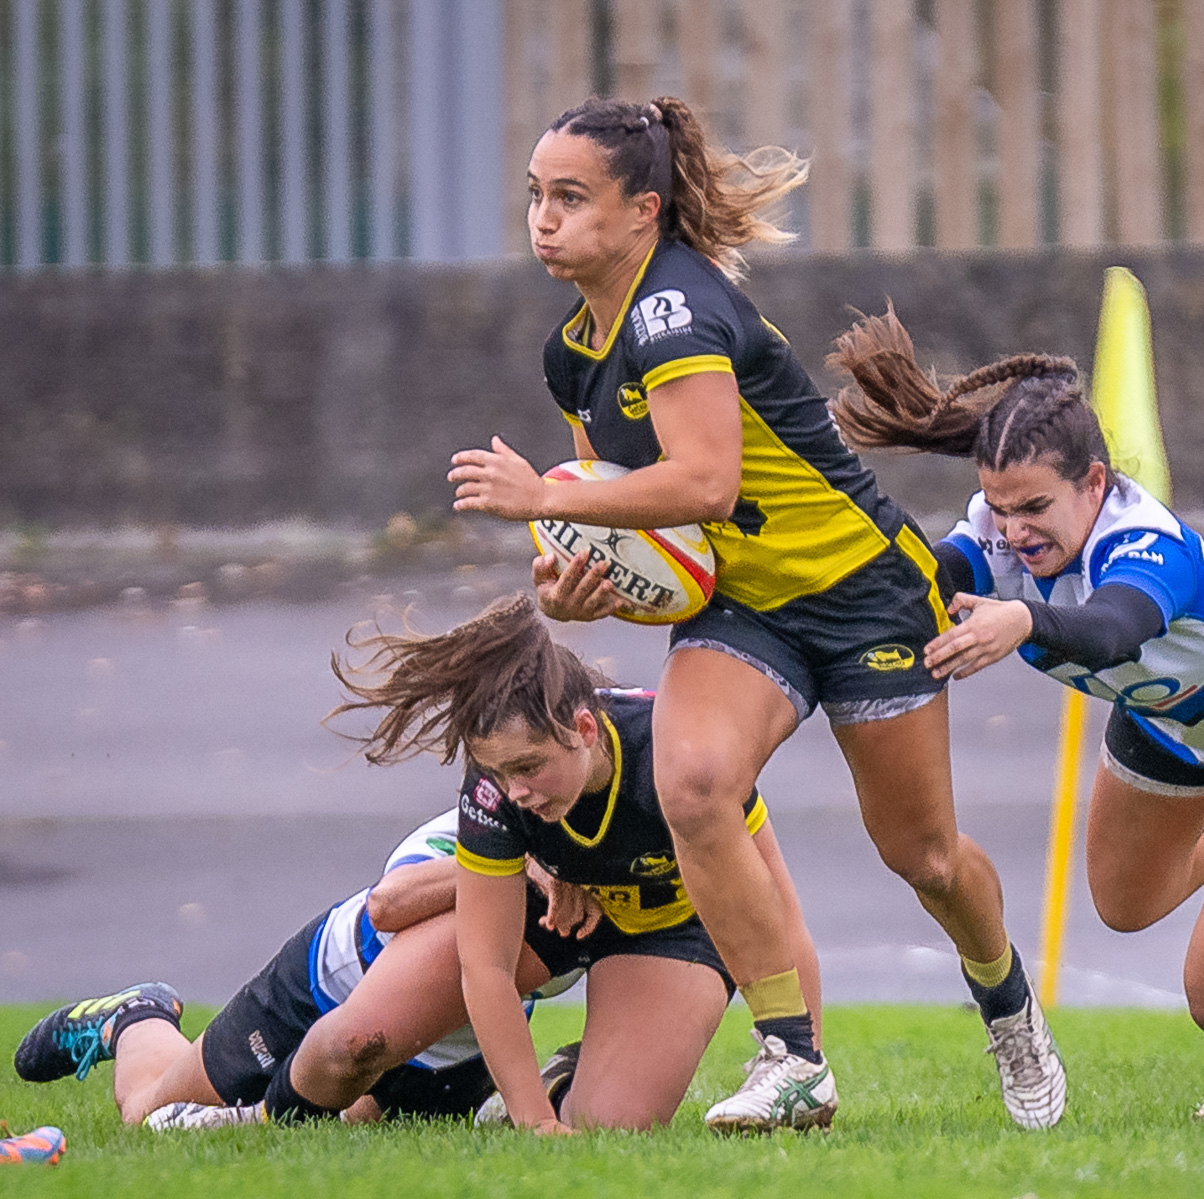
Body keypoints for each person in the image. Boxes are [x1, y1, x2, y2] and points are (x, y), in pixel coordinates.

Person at [446, 96, 1066, 1131]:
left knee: (924, 857)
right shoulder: (577, 352)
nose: (542, 220)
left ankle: (1004, 998)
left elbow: (705, 482)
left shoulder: (675, 312)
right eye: (534, 197)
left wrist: (545, 499)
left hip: (865, 592)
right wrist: (571, 578)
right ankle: (792, 1055)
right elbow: (640, 521)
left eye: (570, 198)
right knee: (693, 782)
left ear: (643, 210)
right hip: (747, 606)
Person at [826, 307, 1204, 1121]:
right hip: (1166, 719)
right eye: (999, 507)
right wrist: (862, 571)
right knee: (1124, 903)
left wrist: (1022, 620)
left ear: (1094, 482)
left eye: (1034, 507)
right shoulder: (1002, 522)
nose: (1015, 531)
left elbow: (1113, 628)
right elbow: (938, 572)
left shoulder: (1142, 544)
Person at [328, 593, 825, 1134]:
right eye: (500, 772)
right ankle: (288, 1096)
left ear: (586, 730)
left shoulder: (675, 749)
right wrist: (534, 1122)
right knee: (358, 1034)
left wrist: (800, 1064)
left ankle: (567, 1076)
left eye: (529, 767)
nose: (515, 790)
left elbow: (779, 913)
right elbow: (485, 968)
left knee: (607, 1125)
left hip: (672, 927)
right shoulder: (500, 781)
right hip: (555, 916)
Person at [12, 807, 577, 1129]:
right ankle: (138, 1017)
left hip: (454, 1045)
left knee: (339, 1130)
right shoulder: (491, 812)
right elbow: (389, 903)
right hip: (324, 989)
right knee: (146, 1117)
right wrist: (509, 865)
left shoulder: (619, 859)